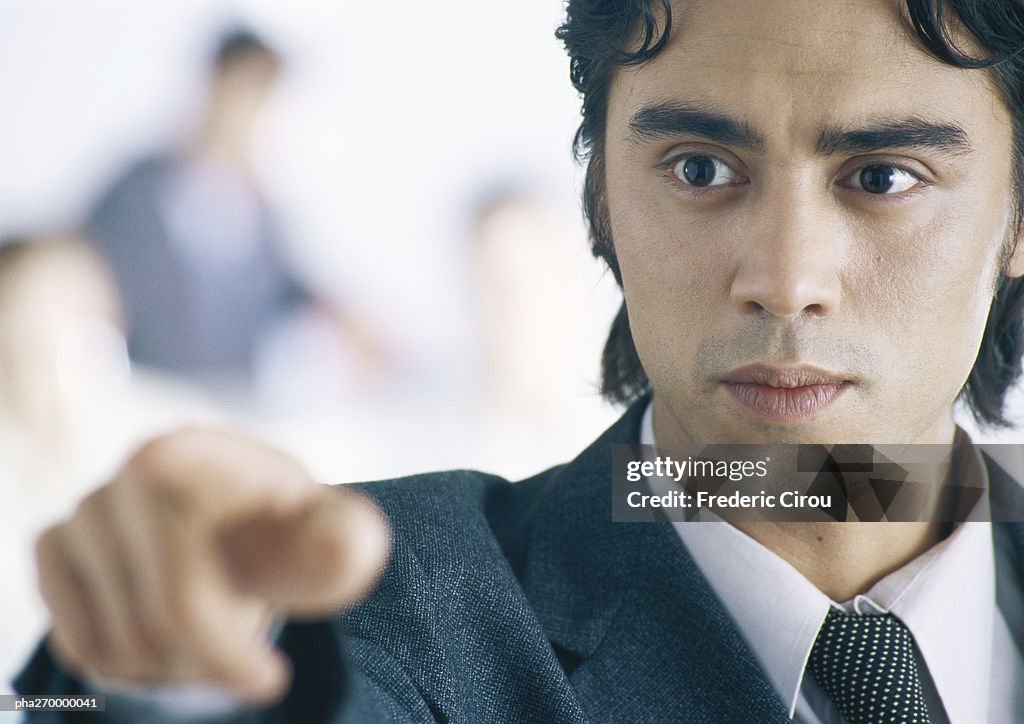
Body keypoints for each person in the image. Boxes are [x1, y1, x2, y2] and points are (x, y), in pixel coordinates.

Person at [14, 0, 1024, 721]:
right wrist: (173, 675)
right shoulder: (393, 608)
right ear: (600, 202)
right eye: (701, 169)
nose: (784, 277)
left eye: (882, 176)